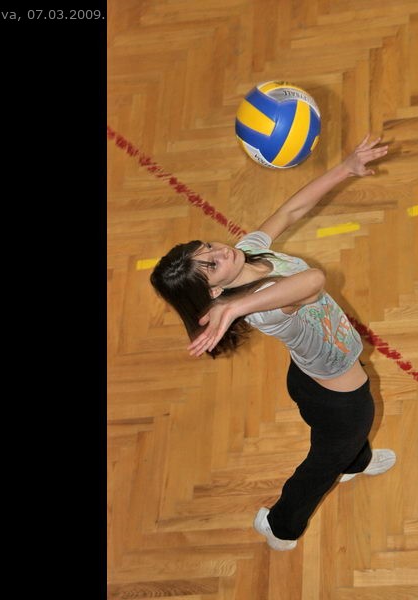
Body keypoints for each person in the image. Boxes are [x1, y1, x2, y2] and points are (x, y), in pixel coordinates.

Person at [150, 134, 396, 551]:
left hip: (305, 378)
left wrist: (345, 168)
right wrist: (237, 307)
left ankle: (357, 461)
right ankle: (281, 528)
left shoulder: (247, 255)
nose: (220, 253)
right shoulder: (264, 307)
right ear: (214, 292)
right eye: (210, 266)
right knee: (322, 464)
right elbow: (313, 281)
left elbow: (290, 210)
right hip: (341, 396)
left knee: (338, 445)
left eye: (206, 248)